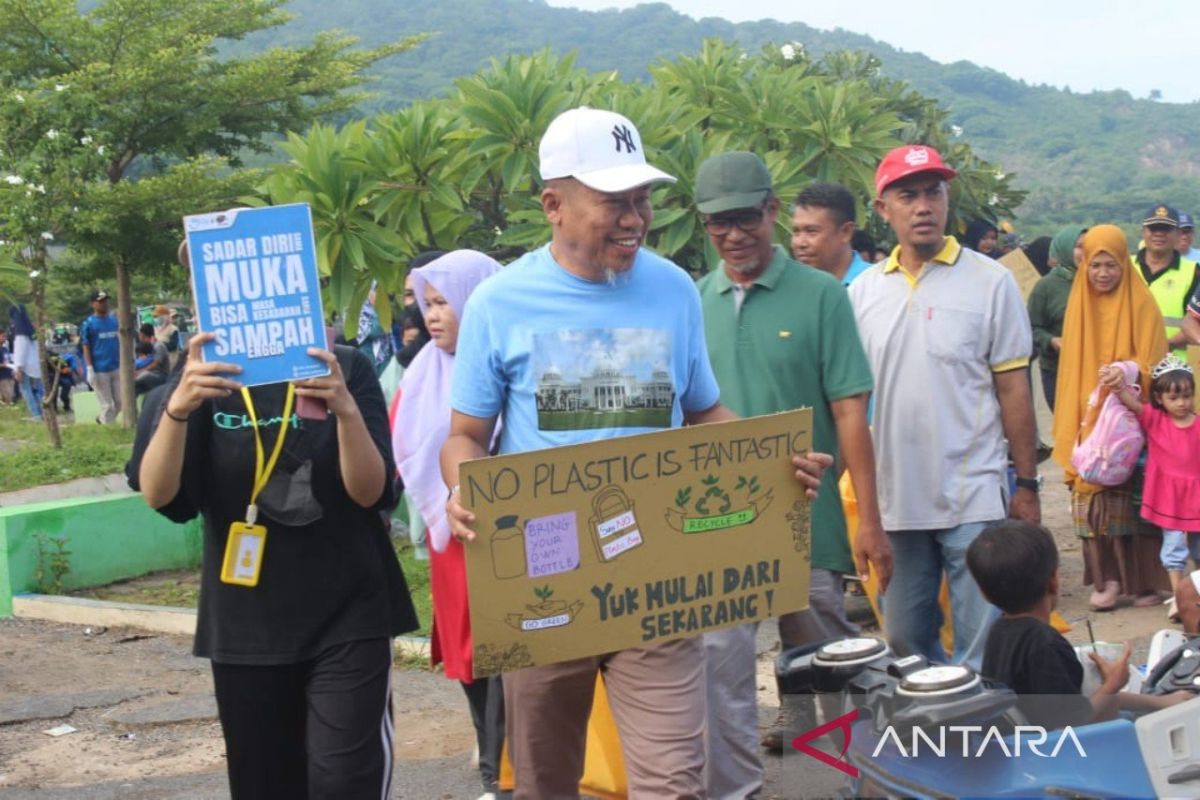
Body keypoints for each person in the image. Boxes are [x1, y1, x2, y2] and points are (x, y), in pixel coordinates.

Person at [440, 107, 830, 798]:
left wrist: (767, 463)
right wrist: (464, 486)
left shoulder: (672, 289)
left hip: (655, 576)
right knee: (545, 781)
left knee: (675, 781)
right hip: (544, 580)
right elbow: (467, 434)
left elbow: (703, 410)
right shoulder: (501, 304)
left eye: (642, 199)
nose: (635, 218)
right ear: (554, 204)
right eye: (613, 201)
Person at [128, 321, 417, 797]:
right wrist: (177, 410)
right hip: (245, 624)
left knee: (344, 781)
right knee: (265, 783)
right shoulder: (196, 382)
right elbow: (161, 496)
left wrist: (344, 409)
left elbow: (370, 493)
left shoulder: (343, 367)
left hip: (349, 614)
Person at [694, 152, 891, 797]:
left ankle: (856, 781)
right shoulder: (694, 301)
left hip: (809, 520)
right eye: (718, 222)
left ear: (773, 212)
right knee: (718, 668)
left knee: (823, 662)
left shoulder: (822, 295)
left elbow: (850, 411)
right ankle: (738, 792)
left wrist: (872, 521)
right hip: (718, 528)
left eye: (746, 217)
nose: (733, 234)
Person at [848, 144, 1040, 669]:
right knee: (906, 640)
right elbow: (849, 407)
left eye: (933, 192)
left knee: (983, 642)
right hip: (896, 501)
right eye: (907, 195)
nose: (924, 206)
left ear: (947, 199)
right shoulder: (862, 294)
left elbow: (1014, 391)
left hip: (973, 494)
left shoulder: (992, 282)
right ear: (883, 209)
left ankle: (982, 739)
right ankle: (935, 734)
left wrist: (1026, 484)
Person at [392, 250, 504, 798]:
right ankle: (493, 761)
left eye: (444, 302)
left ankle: (505, 772)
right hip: (450, 536)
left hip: (505, 535)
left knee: (513, 647)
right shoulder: (420, 374)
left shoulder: (506, 361)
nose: (432, 315)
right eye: (427, 303)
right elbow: (404, 445)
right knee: (470, 652)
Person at [968, 521, 1190, 727]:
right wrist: (1113, 684)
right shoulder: (1045, 646)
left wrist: (1161, 702)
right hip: (1060, 752)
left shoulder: (999, 631)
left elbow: (1076, 703)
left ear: (984, 593)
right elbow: (1072, 724)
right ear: (1054, 581)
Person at [1051, 224, 1169, 612]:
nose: (1103, 273)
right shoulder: (1078, 305)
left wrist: (1130, 371)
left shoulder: (1142, 304)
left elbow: (1157, 362)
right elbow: (1070, 370)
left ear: (1124, 264)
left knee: (1137, 501)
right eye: (1096, 265)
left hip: (1132, 419)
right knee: (1092, 502)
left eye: (1111, 265)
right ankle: (1108, 579)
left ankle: (1145, 581)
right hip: (1089, 422)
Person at [1102, 354, 1200, 619]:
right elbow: (1131, 402)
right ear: (1159, 398)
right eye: (1174, 397)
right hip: (1171, 498)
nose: (1182, 403)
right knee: (1174, 548)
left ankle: (1195, 595)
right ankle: (1180, 598)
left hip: (1196, 496)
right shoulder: (1155, 420)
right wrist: (1117, 384)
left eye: (1187, 395)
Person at [1028, 226, 1087, 411]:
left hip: (1094, 369)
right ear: (1065, 248)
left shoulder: (1099, 280)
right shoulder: (1046, 287)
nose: (1085, 252)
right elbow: (1030, 327)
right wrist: (1051, 341)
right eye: (1078, 246)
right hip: (1057, 369)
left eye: (1089, 246)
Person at [1134, 204, 1199, 358]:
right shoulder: (1125, 268)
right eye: (1153, 229)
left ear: (1178, 234)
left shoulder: (1193, 273)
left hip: (1173, 368)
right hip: (1126, 366)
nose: (1159, 234)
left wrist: (1167, 344)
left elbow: (1196, 321)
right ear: (1143, 232)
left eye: (1166, 229)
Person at [790, 181, 874, 286]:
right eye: (796, 231)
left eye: (811, 231)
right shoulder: (790, 289)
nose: (800, 243)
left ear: (846, 232)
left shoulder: (877, 286)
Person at [81, 289, 121, 424]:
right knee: (107, 405)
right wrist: (90, 368)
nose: (104, 304)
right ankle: (108, 428)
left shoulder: (114, 321)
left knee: (120, 402)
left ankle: (102, 419)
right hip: (100, 368)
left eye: (105, 301)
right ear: (93, 304)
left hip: (116, 366)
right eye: (100, 302)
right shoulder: (89, 324)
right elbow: (85, 345)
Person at [9, 304, 43, 421]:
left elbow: (20, 352)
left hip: (25, 367)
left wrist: (18, 368)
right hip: (36, 366)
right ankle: (41, 412)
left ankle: (35, 414)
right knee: (35, 391)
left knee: (26, 390)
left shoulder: (20, 335)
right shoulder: (32, 332)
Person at [134, 323, 170, 396]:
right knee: (134, 389)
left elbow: (155, 363)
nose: (140, 339)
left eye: (141, 336)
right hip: (150, 375)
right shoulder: (146, 347)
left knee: (144, 375)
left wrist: (140, 372)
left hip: (160, 376)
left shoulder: (158, 346)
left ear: (145, 336)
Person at [0, 329, 15, 406]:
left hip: (9, 374)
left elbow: (9, 360)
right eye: (2, 336)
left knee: (11, 394)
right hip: (2, 377)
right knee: (7, 395)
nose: (4, 338)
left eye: (5, 336)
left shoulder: (5, 349)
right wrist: (4, 365)